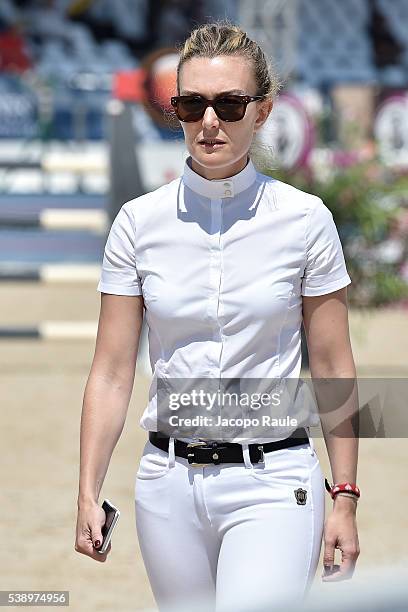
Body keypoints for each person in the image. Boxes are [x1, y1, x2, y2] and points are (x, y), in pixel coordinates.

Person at [75, 20, 360, 612]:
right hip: (165, 485)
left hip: (275, 482)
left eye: (230, 104)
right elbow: (111, 370)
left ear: (262, 112)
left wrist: (346, 497)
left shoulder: (306, 221)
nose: (210, 122)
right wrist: (87, 491)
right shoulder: (136, 223)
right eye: (191, 104)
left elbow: (333, 365)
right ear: (174, 110)